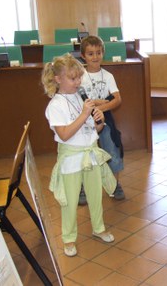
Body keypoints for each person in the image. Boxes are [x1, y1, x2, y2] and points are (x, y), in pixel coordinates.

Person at [43, 54, 116, 257]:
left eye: (78, 78)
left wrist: (99, 121)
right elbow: (65, 134)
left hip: (90, 152)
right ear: (58, 79)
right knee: (70, 199)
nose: (77, 83)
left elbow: (93, 130)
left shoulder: (80, 97)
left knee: (95, 194)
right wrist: (84, 114)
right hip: (71, 158)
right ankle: (68, 238)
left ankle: (98, 227)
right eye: (72, 78)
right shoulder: (55, 105)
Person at [78, 35, 125, 204]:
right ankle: (82, 187)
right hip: (84, 119)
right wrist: (99, 102)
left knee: (112, 148)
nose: (95, 57)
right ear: (83, 56)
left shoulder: (108, 76)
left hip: (105, 118)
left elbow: (117, 99)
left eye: (98, 53)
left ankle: (115, 185)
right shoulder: (79, 75)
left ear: (102, 53)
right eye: (90, 54)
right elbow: (79, 100)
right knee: (84, 153)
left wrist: (99, 107)